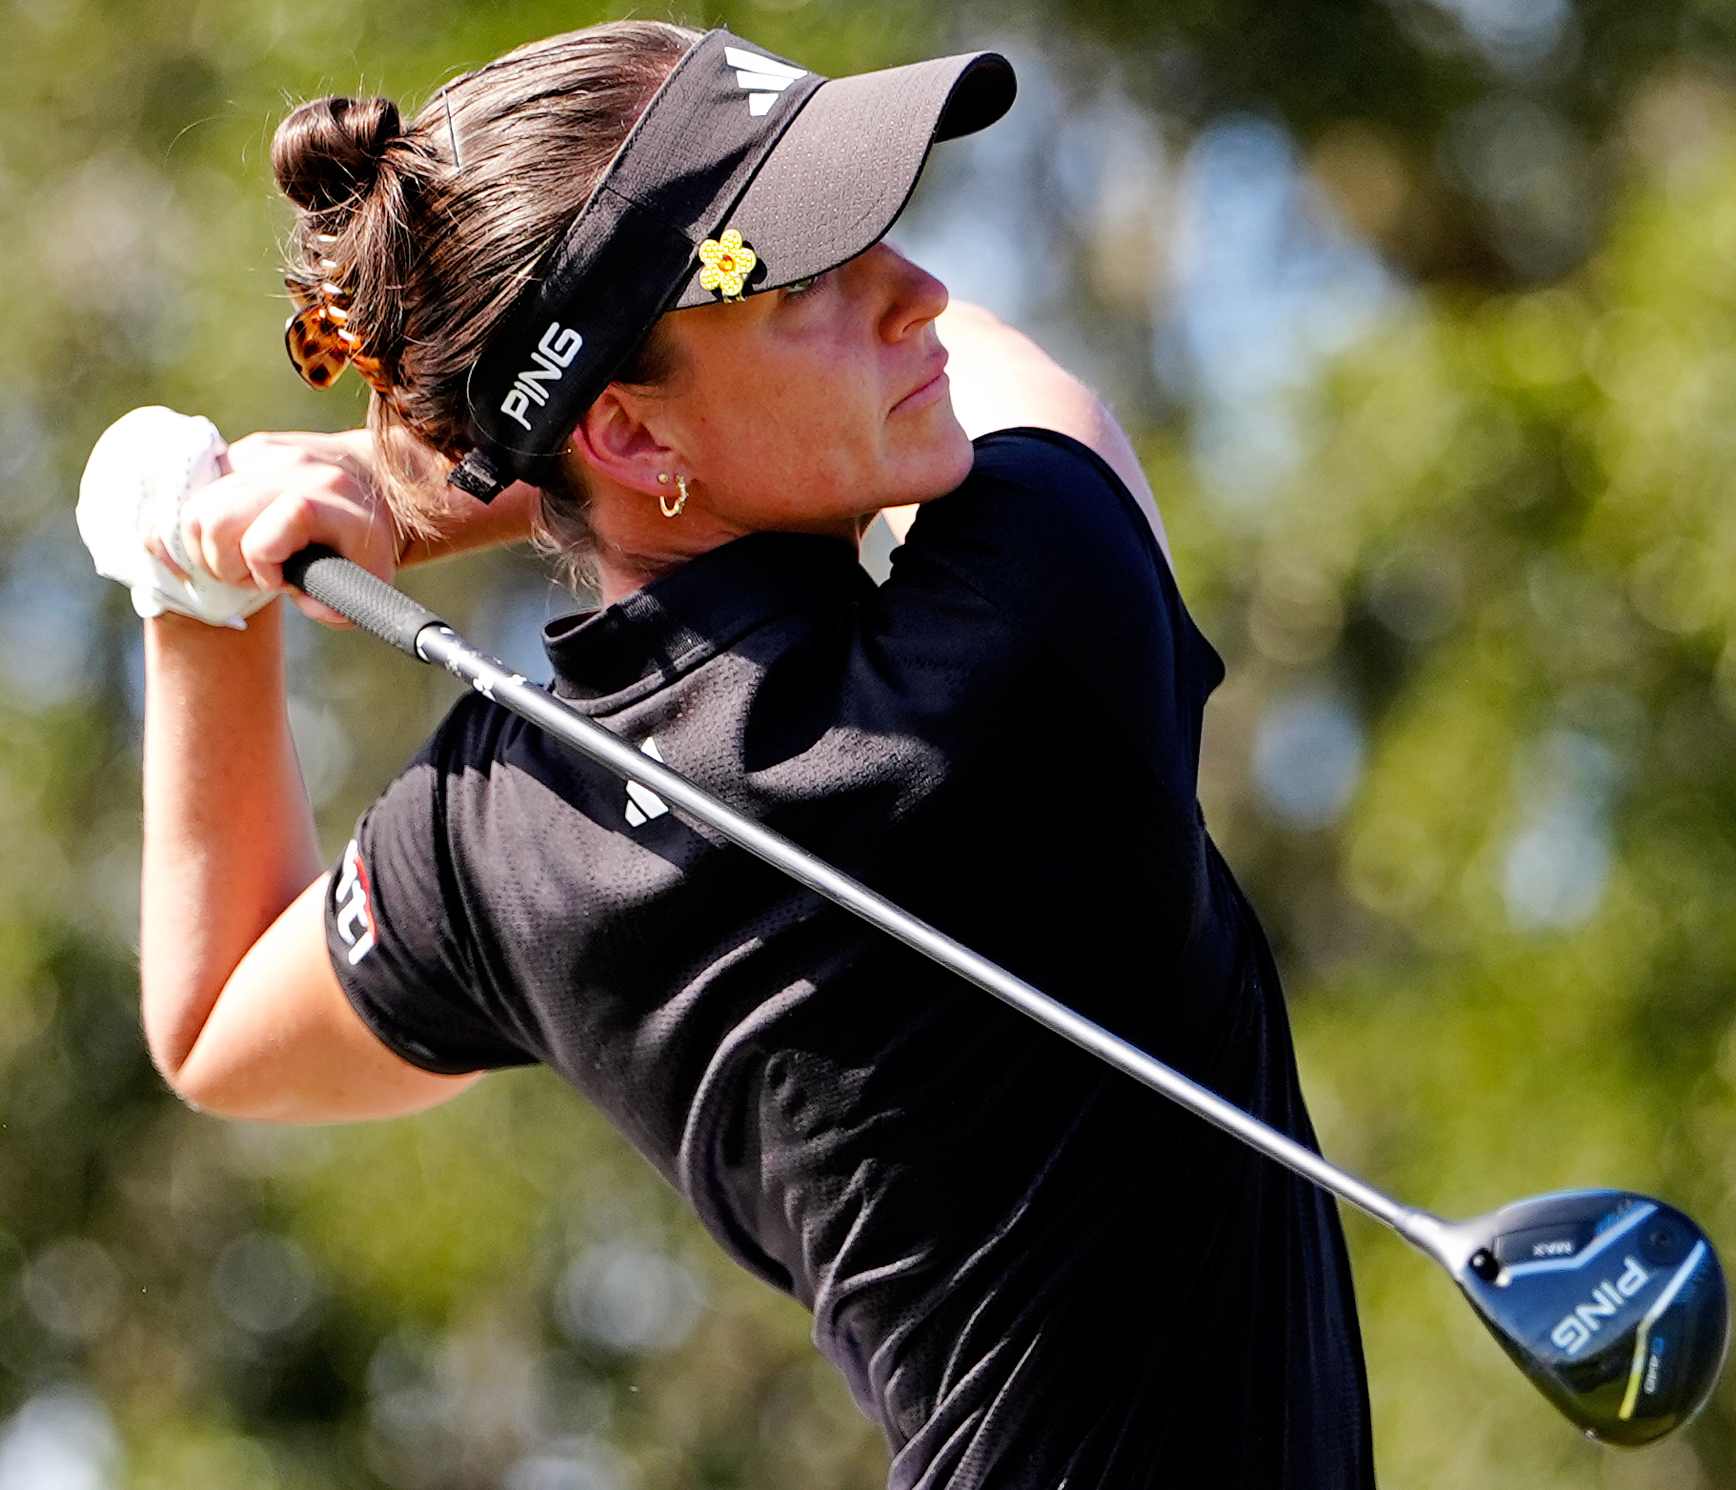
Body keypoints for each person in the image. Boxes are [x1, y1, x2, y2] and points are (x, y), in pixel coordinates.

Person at [117, 19, 1374, 1487]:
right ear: (636, 439)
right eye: (815, 284)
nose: (920, 295)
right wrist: (442, 491)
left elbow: (210, 1021)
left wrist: (194, 599)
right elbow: (1025, 385)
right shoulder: (1025, 648)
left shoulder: (502, 815)